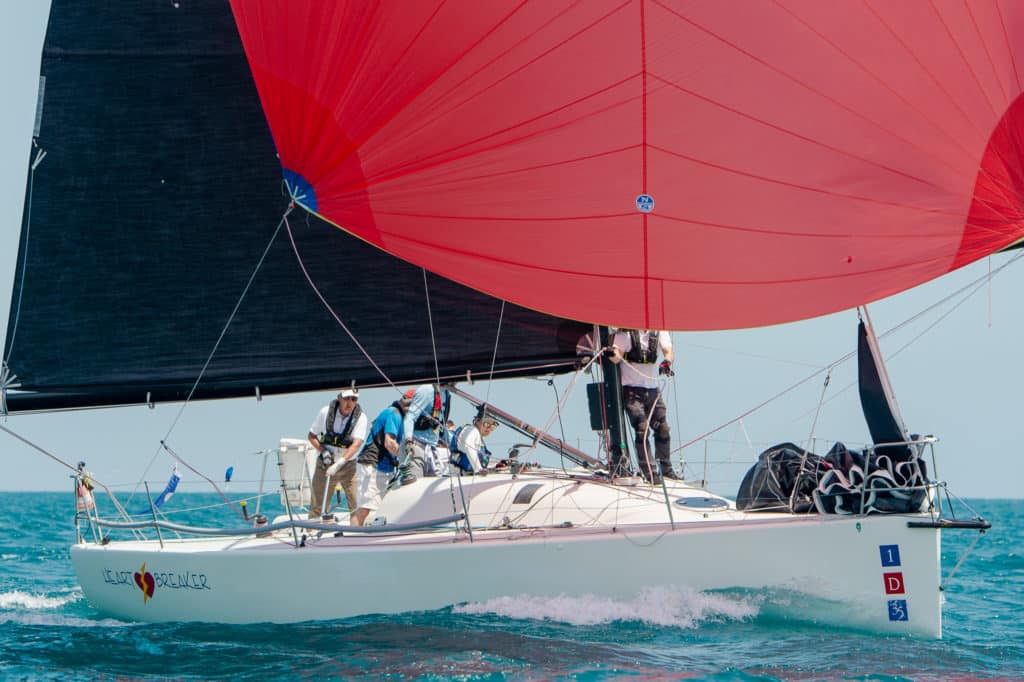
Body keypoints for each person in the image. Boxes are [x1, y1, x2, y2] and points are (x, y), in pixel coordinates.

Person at [608, 329, 680, 483]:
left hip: (652, 389)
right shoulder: (625, 335)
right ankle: (650, 472)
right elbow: (617, 355)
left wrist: (666, 362)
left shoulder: (660, 332)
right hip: (632, 391)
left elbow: (668, 351)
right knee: (642, 428)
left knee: (663, 428)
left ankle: (666, 469)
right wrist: (611, 353)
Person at [307, 387, 368, 519]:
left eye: (354, 399)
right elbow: (311, 435)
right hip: (326, 464)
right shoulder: (325, 412)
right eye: (346, 398)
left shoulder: (361, 417)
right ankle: (311, 533)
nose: (350, 402)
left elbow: (357, 444)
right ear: (339, 398)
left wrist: (340, 463)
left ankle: (358, 535)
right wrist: (323, 452)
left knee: (356, 505)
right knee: (317, 505)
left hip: (348, 466)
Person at [351, 395, 409, 526]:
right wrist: (405, 460)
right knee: (364, 508)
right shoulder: (394, 414)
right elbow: (389, 443)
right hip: (372, 465)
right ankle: (353, 540)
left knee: (384, 506)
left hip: (385, 467)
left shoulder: (401, 417)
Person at [400, 384, 450, 481]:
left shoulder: (446, 394)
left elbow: (441, 423)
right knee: (415, 486)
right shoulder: (426, 390)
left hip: (432, 448)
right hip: (416, 445)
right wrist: (408, 440)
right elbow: (410, 417)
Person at [450, 410, 498, 475]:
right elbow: (468, 445)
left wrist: (497, 465)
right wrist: (478, 469)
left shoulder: (478, 438)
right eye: (486, 424)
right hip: (459, 476)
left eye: (492, 427)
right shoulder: (472, 430)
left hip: (467, 475)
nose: (488, 429)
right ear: (477, 421)